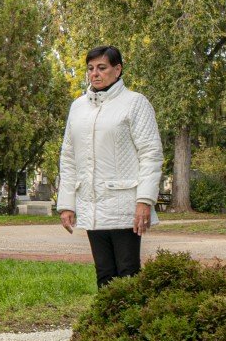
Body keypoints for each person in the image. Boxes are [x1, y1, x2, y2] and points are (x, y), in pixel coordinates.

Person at [56, 45, 163, 287]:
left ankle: (131, 324)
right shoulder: (78, 107)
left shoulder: (135, 103)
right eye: (91, 68)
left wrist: (144, 200)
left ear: (117, 70)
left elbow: (151, 154)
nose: (95, 73)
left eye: (102, 68)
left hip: (126, 206)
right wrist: (66, 204)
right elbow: (69, 157)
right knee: (104, 273)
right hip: (92, 205)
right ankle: (107, 324)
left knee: (128, 272)